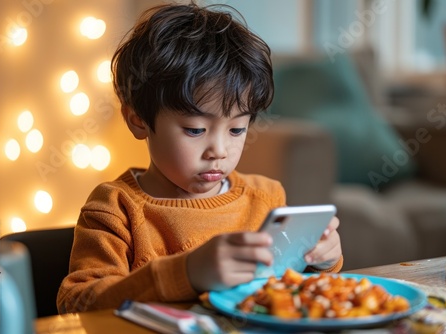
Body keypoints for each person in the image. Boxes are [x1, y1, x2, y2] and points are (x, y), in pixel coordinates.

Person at [57, 1, 343, 313]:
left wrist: (321, 262)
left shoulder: (266, 198)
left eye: (236, 130)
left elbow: (287, 291)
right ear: (138, 119)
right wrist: (187, 273)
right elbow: (77, 305)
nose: (219, 151)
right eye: (195, 130)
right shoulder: (116, 210)